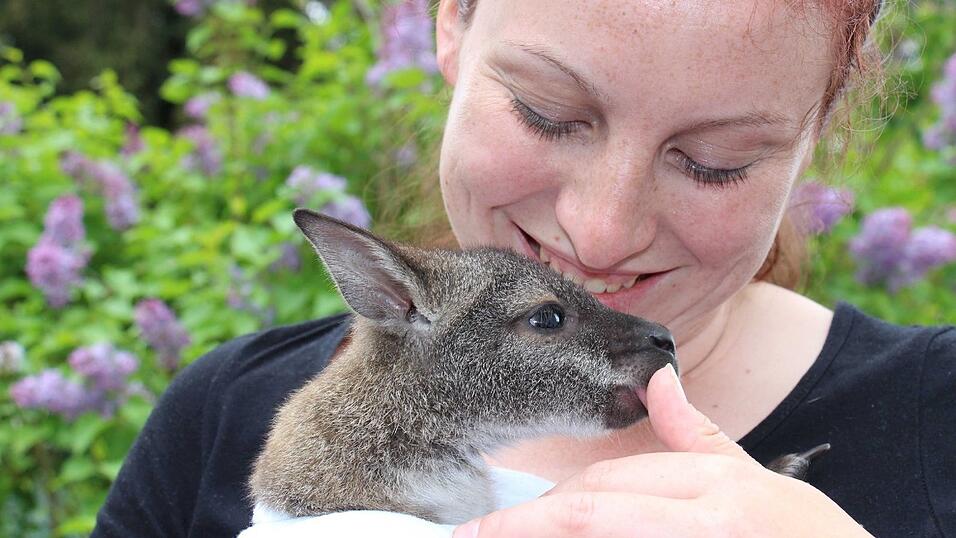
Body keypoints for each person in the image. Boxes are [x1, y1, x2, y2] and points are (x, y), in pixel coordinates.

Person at [91, 0, 956, 537]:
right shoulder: (223, 414)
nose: (602, 234)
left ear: (817, 133)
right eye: (548, 112)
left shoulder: (935, 420)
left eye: (714, 162)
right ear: (450, 24)